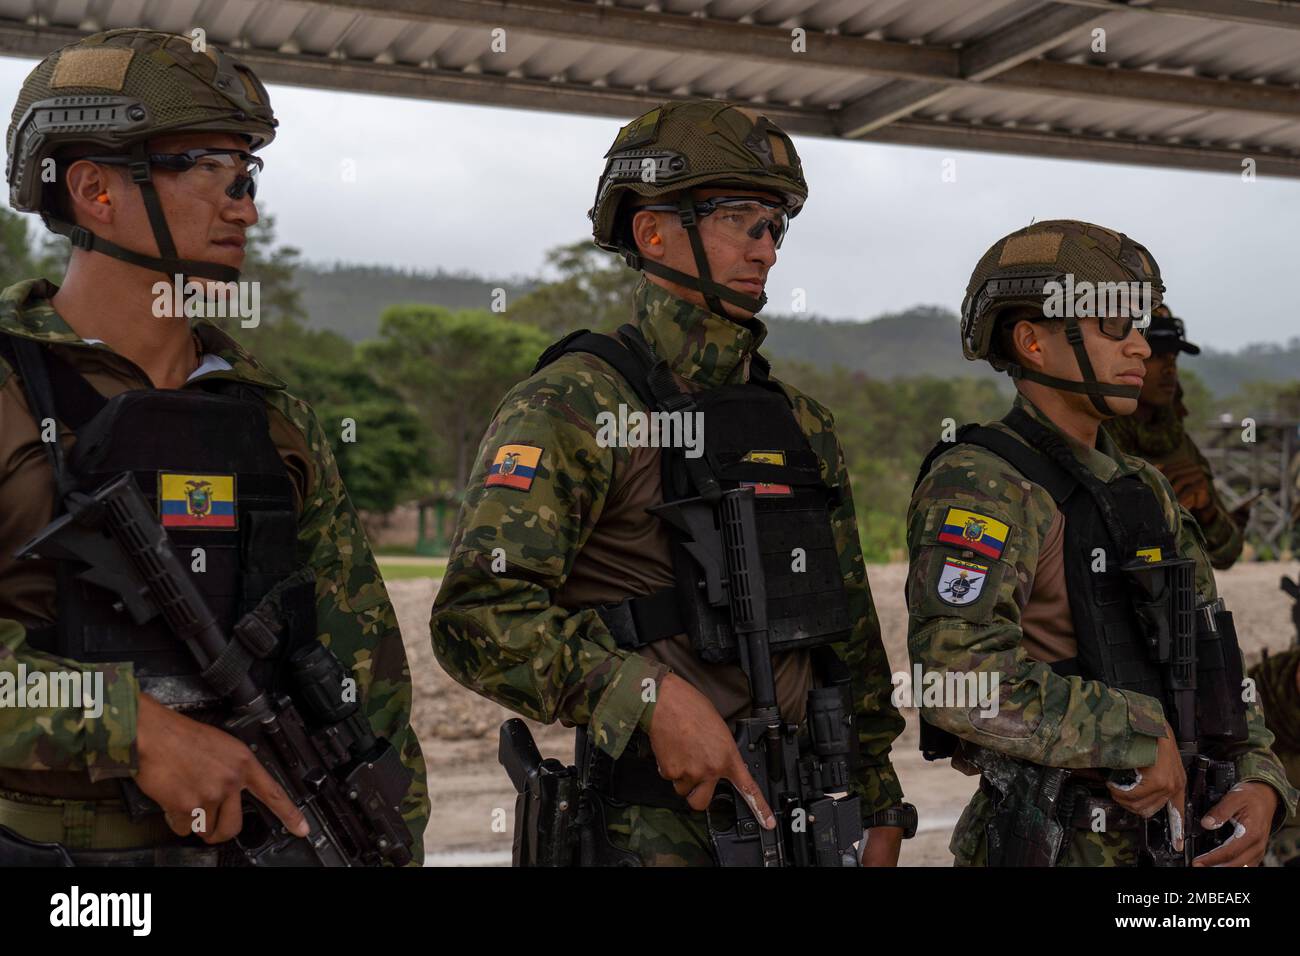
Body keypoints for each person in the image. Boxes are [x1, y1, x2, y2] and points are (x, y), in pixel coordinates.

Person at [431, 99, 912, 866]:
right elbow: (476, 615)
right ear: (653, 232)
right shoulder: (576, 402)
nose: (768, 250)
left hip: (807, 821)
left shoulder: (800, 422)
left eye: (776, 224)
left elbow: (849, 633)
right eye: (741, 219)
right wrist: (642, 698)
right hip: (646, 831)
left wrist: (878, 796)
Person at [0, 28, 427, 865]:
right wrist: (128, 729)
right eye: (212, 169)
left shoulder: (271, 421)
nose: (246, 205)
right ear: (93, 189)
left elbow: (367, 684)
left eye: (250, 175)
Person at [907, 219, 1296, 866]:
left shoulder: (1142, 487)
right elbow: (958, 677)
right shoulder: (984, 481)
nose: (1140, 348)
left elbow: (1214, 665)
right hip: (1051, 844)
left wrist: (1261, 779)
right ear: (1032, 341)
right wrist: (1132, 730)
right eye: (1114, 325)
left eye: (1139, 326)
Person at [1105, 305, 1245, 569]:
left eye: (1174, 356)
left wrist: (1207, 513)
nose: (1170, 369)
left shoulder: (1177, 442)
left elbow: (1227, 555)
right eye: (1156, 355)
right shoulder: (1095, 440)